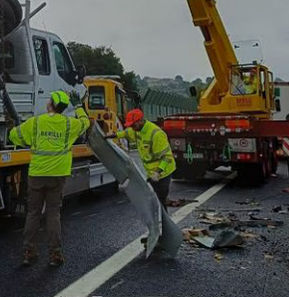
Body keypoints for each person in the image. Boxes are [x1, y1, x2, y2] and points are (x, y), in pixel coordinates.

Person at [9, 90, 90, 267]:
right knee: (53, 213)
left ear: (50, 105)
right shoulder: (70, 124)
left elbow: (14, 136)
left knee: (33, 213)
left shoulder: (36, 122)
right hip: (58, 176)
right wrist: (78, 106)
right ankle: (55, 254)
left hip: (37, 174)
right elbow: (86, 122)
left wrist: (28, 141)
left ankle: (29, 252)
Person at [109, 109, 176, 210]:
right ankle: (159, 223)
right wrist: (112, 136)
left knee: (160, 201)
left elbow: (167, 157)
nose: (132, 128)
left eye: (133, 125)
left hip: (163, 173)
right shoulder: (137, 130)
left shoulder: (156, 134)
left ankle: (164, 224)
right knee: (153, 201)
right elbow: (126, 133)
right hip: (151, 173)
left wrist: (158, 172)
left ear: (140, 121)